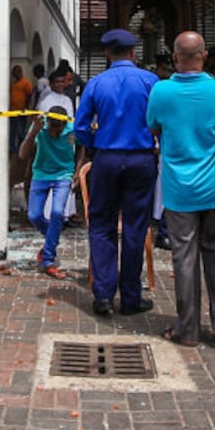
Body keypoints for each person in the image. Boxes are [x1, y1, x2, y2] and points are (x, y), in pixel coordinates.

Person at [148, 31, 215, 346]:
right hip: (214, 183)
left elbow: (154, 126)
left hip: (178, 187)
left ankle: (187, 328)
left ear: (175, 56)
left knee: (183, 256)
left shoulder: (161, 91)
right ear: (204, 55)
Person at [74, 28, 159, 316]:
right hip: (141, 158)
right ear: (134, 52)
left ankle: (104, 295)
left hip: (107, 158)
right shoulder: (150, 81)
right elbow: (159, 120)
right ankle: (131, 298)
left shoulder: (96, 84)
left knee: (101, 225)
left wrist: (95, 146)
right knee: (136, 226)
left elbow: (81, 127)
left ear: (107, 54)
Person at [19, 101, 76, 278]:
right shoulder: (40, 128)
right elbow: (22, 154)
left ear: (65, 125)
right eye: (52, 128)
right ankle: (52, 239)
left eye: (58, 129)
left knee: (58, 212)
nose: (54, 132)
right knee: (34, 216)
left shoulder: (72, 129)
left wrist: (77, 170)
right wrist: (33, 133)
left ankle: (48, 259)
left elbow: (83, 149)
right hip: (41, 174)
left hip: (64, 174)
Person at [9, 65, 34, 155]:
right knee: (12, 131)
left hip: (21, 111)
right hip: (12, 111)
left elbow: (30, 94)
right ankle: (12, 149)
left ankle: (21, 148)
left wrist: (25, 106)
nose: (14, 74)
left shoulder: (26, 83)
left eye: (16, 72)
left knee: (20, 131)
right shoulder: (14, 83)